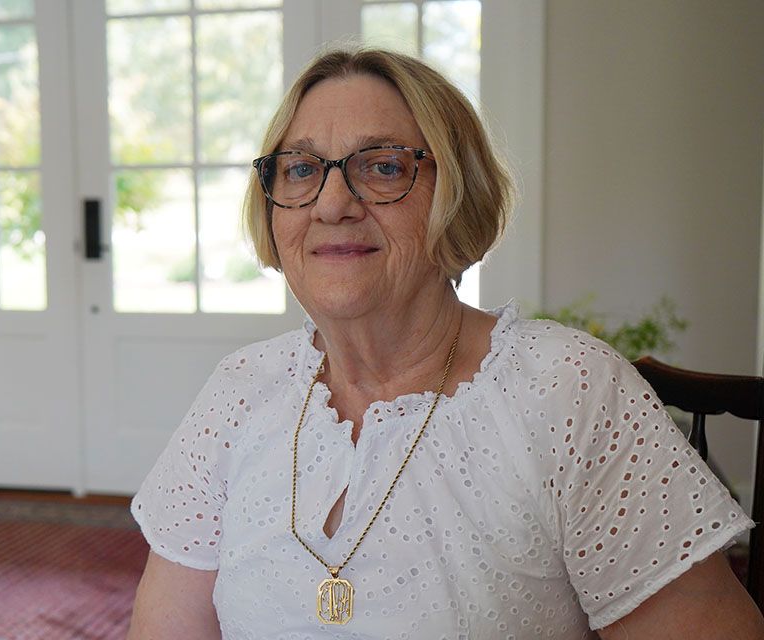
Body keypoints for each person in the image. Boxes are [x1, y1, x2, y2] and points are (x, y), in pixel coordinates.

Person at [128, 47, 764, 639]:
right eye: (300, 169)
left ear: (458, 194)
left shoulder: (568, 390)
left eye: (382, 167)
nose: (331, 203)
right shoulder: (241, 389)